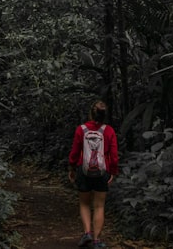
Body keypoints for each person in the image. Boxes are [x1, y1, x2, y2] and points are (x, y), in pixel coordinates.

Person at [68, 100, 119, 248]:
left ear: (91, 113)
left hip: (83, 171)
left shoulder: (81, 129)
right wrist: (113, 172)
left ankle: (87, 233)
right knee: (99, 206)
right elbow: (114, 156)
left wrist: (71, 168)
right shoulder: (109, 131)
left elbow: (75, 152)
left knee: (84, 203)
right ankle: (96, 240)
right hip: (102, 172)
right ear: (104, 115)